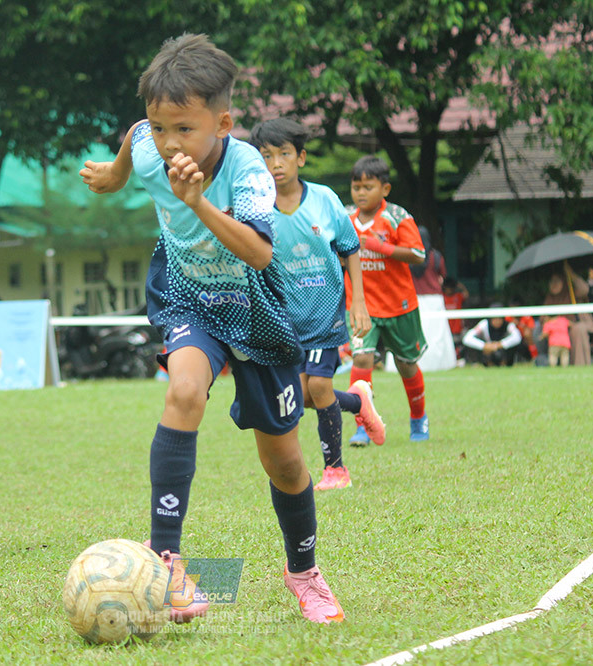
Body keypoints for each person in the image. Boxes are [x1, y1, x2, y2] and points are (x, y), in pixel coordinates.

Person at [79, 34, 344, 624]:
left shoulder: (249, 168)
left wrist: (198, 203)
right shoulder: (147, 142)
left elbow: (256, 253)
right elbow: (132, 142)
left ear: (223, 123)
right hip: (186, 294)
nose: (168, 142)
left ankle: (303, 572)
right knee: (183, 390)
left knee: (284, 461)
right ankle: (167, 560)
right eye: (159, 126)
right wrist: (114, 176)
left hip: (255, 307)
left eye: (184, 129)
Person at [248, 117, 382, 492]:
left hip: (324, 316)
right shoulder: (255, 208)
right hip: (283, 321)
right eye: (267, 156)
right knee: (301, 397)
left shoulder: (324, 200)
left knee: (320, 388)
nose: (276, 164)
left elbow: (351, 247)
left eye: (284, 154)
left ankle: (335, 470)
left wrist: (359, 302)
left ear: (301, 158)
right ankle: (357, 402)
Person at [344, 156, 430, 443]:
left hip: (399, 305)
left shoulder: (397, 216)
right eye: (356, 186)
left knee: (406, 364)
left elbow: (418, 255)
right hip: (361, 306)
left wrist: (382, 247)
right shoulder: (345, 219)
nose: (361, 192)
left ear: (385, 189)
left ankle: (418, 419)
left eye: (368, 186)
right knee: (362, 357)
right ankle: (362, 425)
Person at [544, 262, 593, 366]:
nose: (554, 284)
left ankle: (579, 365)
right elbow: (543, 318)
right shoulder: (549, 298)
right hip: (556, 331)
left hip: (572, 327)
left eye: (557, 281)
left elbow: (584, 290)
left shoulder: (571, 292)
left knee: (578, 329)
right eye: (551, 281)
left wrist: (571, 273)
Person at [410, 225, 445, 295]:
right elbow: (442, 277)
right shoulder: (436, 256)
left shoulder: (409, 256)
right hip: (435, 297)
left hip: (416, 297)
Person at [442, 276, 469, 356]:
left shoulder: (458, 296)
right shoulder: (442, 297)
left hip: (457, 328)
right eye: (448, 288)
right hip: (446, 327)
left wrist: (460, 285)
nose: (450, 290)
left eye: (451, 288)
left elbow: (466, 294)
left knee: (459, 345)